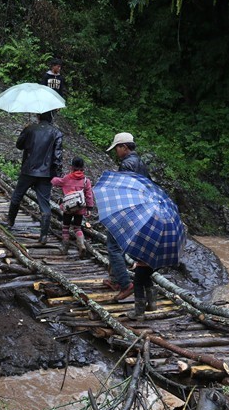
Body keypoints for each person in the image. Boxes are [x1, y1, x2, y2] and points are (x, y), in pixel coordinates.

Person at [101, 132, 156, 315]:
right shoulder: (141, 163)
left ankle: (125, 283)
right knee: (123, 246)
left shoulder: (126, 164)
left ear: (124, 147)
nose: (116, 151)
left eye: (117, 147)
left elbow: (123, 189)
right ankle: (116, 279)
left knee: (113, 246)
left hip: (126, 208)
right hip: (139, 208)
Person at [4, 110, 63, 245]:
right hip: (45, 174)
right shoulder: (56, 133)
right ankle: (43, 235)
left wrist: (25, 131)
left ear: (38, 116)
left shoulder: (30, 129)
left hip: (28, 171)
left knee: (17, 196)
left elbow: (19, 145)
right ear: (51, 118)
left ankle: (10, 222)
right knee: (44, 204)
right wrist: (56, 174)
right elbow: (57, 156)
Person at [51, 157, 94, 257]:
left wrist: (51, 175)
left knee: (65, 227)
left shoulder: (67, 178)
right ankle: (81, 245)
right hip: (80, 209)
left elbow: (56, 182)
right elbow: (89, 195)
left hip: (68, 209)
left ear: (71, 167)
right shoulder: (86, 181)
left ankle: (65, 247)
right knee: (77, 228)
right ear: (83, 168)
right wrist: (89, 208)